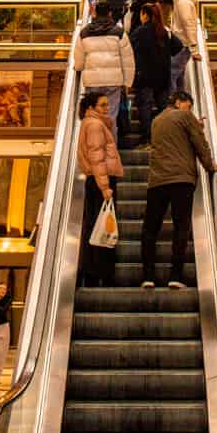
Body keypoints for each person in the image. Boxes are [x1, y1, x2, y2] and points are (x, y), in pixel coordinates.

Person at [140, 90, 216, 290]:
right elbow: (200, 144)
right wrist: (210, 166)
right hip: (181, 180)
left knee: (150, 228)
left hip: (157, 180)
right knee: (181, 227)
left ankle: (148, 276)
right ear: (179, 102)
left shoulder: (156, 120)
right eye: (188, 106)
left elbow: (172, 140)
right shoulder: (185, 117)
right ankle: (175, 276)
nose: (189, 110)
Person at [77, 89, 123, 287]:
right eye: (103, 105)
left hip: (95, 180)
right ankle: (102, 274)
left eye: (107, 104)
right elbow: (97, 156)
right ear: (91, 107)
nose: (108, 107)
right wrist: (105, 187)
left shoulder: (92, 123)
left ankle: (92, 273)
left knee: (95, 226)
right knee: (103, 228)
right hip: (101, 181)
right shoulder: (95, 125)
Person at [73, 1, 134, 129]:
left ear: (94, 13)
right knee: (110, 117)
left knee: (94, 117)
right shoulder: (119, 32)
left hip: (92, 82)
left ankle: (96, 145)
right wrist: (128, 82)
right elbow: (128, 60)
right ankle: (110, 147)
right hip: (113, 82)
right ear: (110, 14)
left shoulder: (84, 33)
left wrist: (79, 68)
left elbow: (78, 60)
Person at [130, 3, 180, 144]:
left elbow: (130, 50)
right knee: (163, 106)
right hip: (162, 76)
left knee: (145, 105)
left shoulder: (140, 32)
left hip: (144, 76)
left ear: (145, 15)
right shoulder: (164, 31)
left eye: (141, 13)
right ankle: (166, 137)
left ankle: (147, 137)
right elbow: (178, 47)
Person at [163, 0, 200, 91]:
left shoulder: (182, 2)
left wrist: (194, 49)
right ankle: (181, 103)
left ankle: (174, 104)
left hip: (182, 45)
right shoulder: (178, 0)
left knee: (171, 75)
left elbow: (189, 24)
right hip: (181, 44)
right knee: (178, 76)